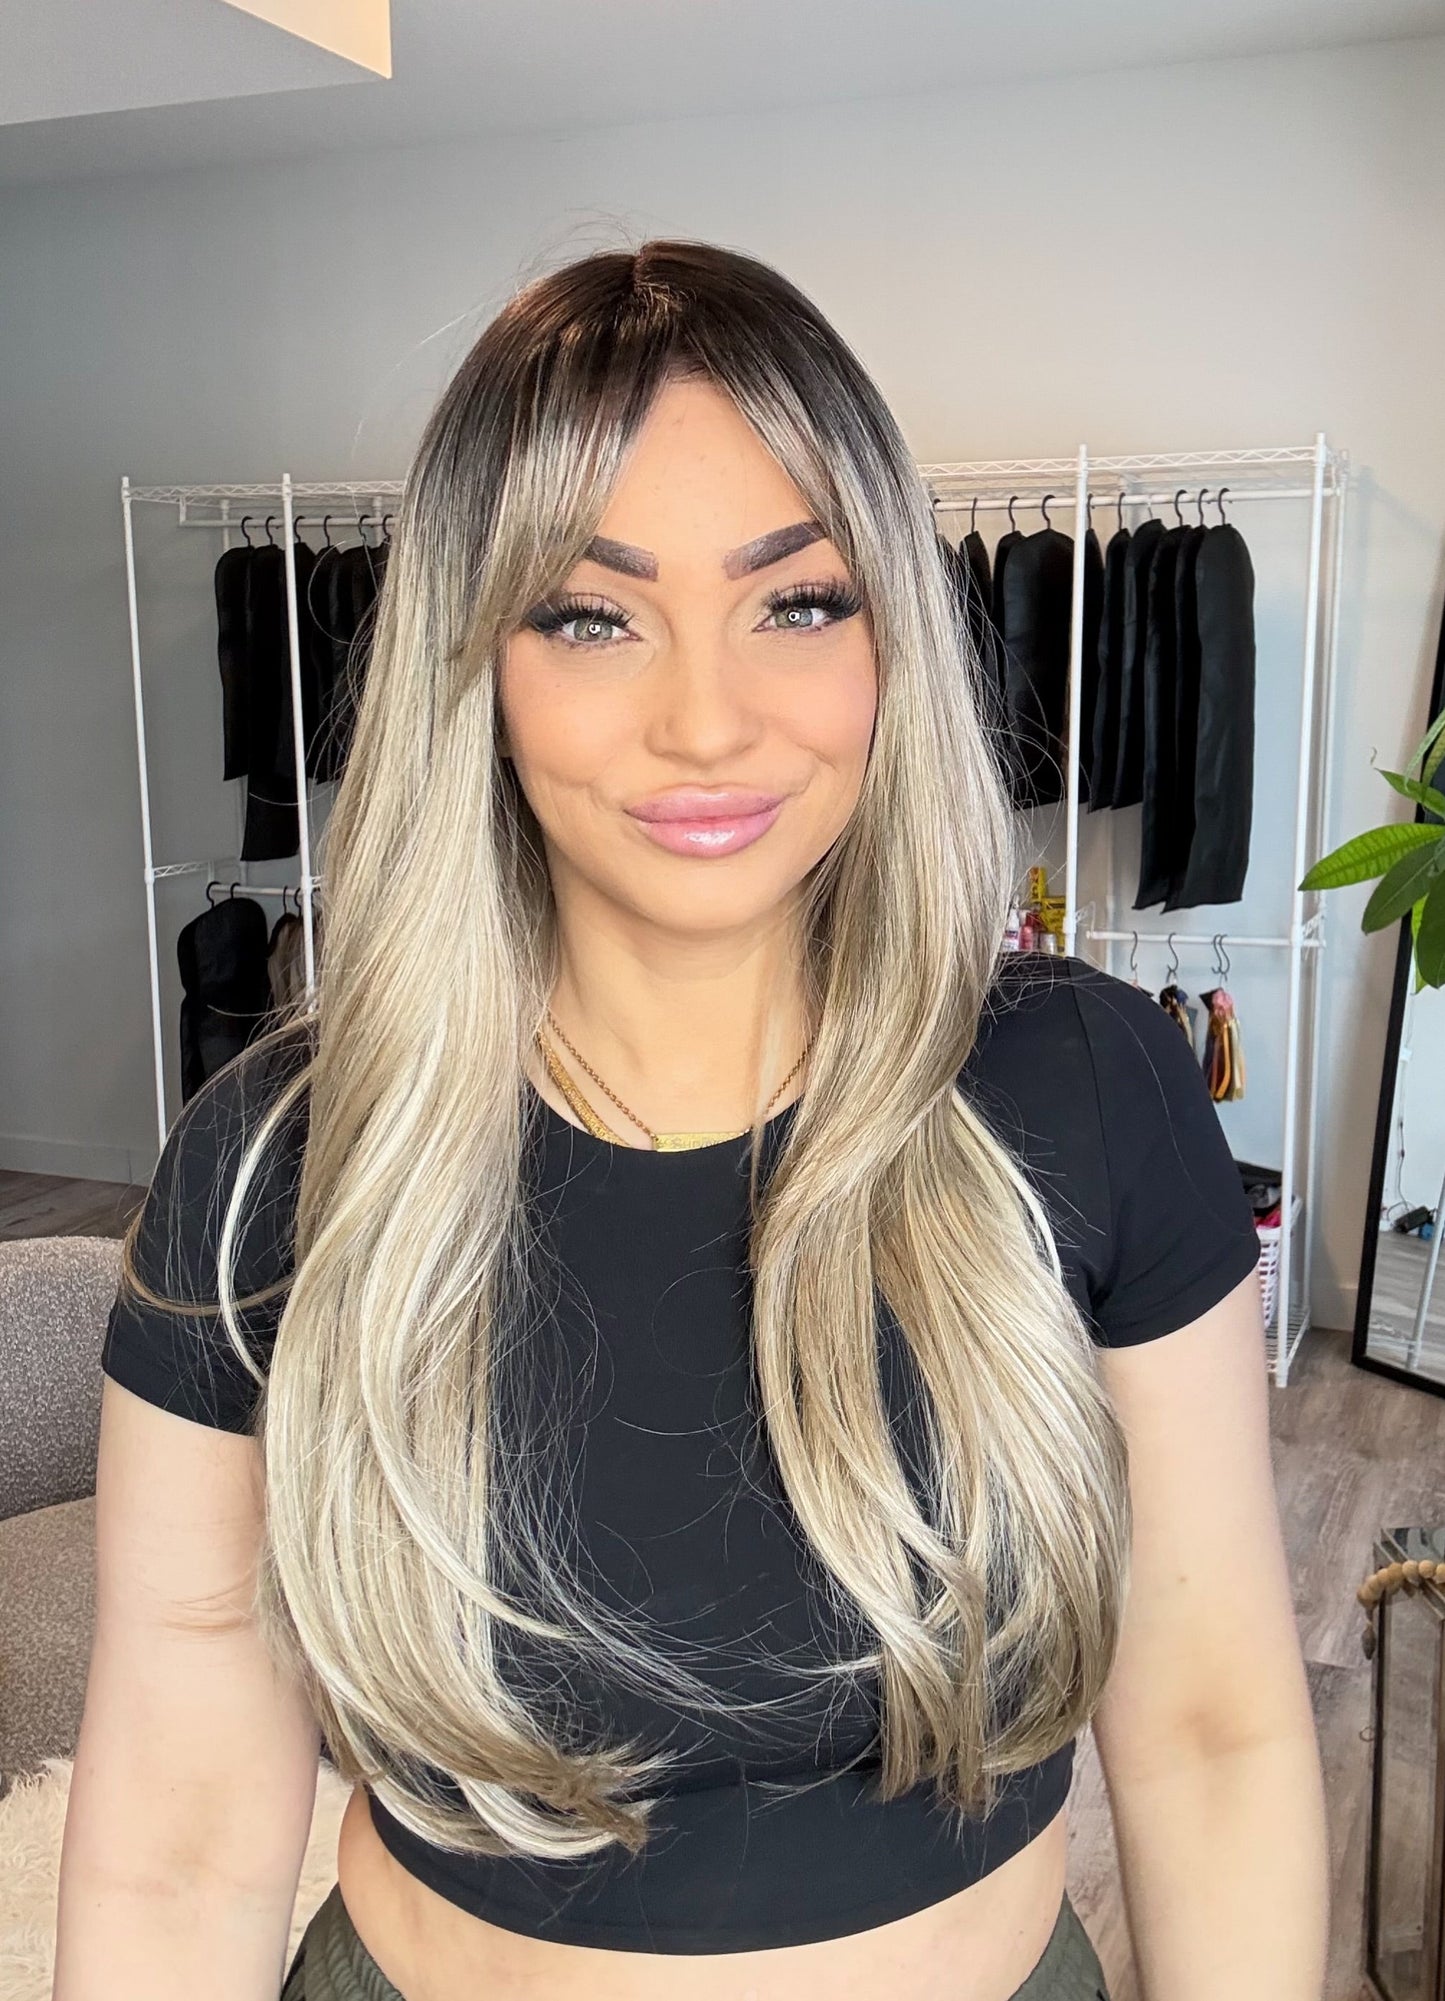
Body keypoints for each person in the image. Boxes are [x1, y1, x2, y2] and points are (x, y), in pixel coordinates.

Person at [56, 240, 1328, 2001]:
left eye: (794, 603)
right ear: (475, 665)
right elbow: (179, 1833)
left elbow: (1209, 1732)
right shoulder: (275, 1161)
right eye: (590, 615)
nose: (706, 721)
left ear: (888, 637)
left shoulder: (1091, 1085)